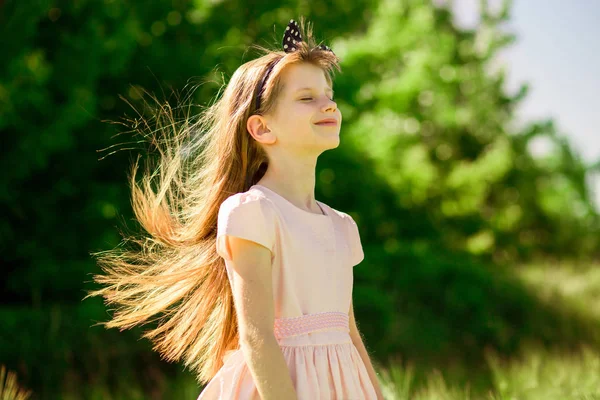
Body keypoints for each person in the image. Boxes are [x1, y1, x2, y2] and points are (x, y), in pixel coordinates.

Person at [86, 17, 384, 400]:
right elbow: (256, 333)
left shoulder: (342, 226)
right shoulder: (252, 213)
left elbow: (350, 334)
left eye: (329, 95)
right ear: (261, 129)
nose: (329, 105)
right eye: (307, 97)